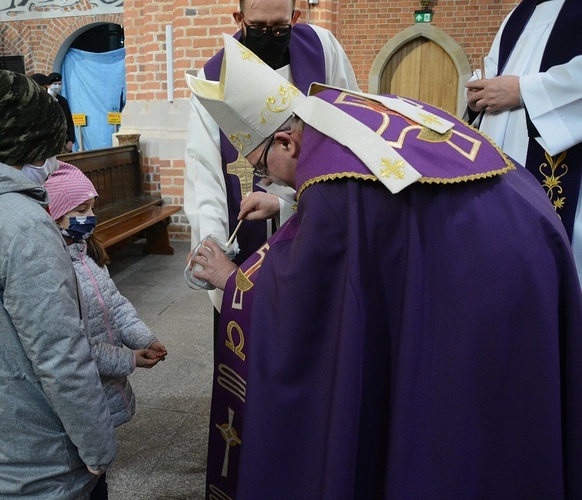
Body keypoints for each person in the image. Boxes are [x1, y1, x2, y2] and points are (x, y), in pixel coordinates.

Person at [188, 34, 582, 498]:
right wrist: (287, 203)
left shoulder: (330, 181)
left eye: (263, 166)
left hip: (490, 279)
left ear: (285, 140)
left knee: (459, 416)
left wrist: (232, 281)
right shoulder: (339, 111)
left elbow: (308, 295)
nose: (267, 178)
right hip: (531, 239)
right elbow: (380, 207)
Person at [0, 70, 116, 497]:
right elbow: (59, 352)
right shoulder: (22, 223)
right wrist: (98, 444)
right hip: (39, 445)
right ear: (35, 145)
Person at [184, 0, 359, 295]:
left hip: (319, 226)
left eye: (279, 28)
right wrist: (212, 239)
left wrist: (286, 203)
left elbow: (348, 133)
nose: (268, 36)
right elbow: (204, 167)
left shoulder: (323, 50)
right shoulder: (213, 76)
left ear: (295, 16)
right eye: (258, 28)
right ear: (239, 19)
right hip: (246, 239)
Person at [44, 162, 168, 500]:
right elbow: (75, 345)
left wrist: (144, 338)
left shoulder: (88, 253)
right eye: (81, 209)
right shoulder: (54, 268)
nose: (91, 216)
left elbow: (116, 304)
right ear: (54, 216)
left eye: (92, 208)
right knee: (79, 474)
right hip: (78, 388)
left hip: (101, 380)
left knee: (97, 475)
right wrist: (129, 359)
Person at [464, 0, 582, 286]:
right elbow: (493, 67)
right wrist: (479, 88)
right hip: (501, 151)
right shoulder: (521, 11)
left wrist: (522, 90)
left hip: (559, 150)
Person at [47, 72, 76, 153]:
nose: (57, 86)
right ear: (48, 85)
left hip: (64, 142)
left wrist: (70, 140)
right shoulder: (44, 99)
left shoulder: (62, 101)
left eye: (59, 84)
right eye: (55, 84)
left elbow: (69, 121)